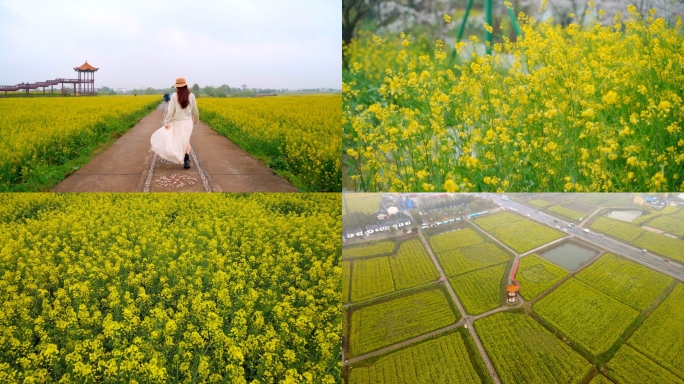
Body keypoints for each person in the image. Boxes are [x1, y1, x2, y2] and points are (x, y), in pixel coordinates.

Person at [150, 77, 199, 169]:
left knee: (179, 139)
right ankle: (186, 159)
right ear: (185, 86)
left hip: (178, 122)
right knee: (186, 139)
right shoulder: (191, 95)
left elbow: (170, 110)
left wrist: (166, 122)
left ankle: (180, 155)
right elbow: (195, 110)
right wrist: (196, 120)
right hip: (188, 122)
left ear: (177, 87)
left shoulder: (174, 96)